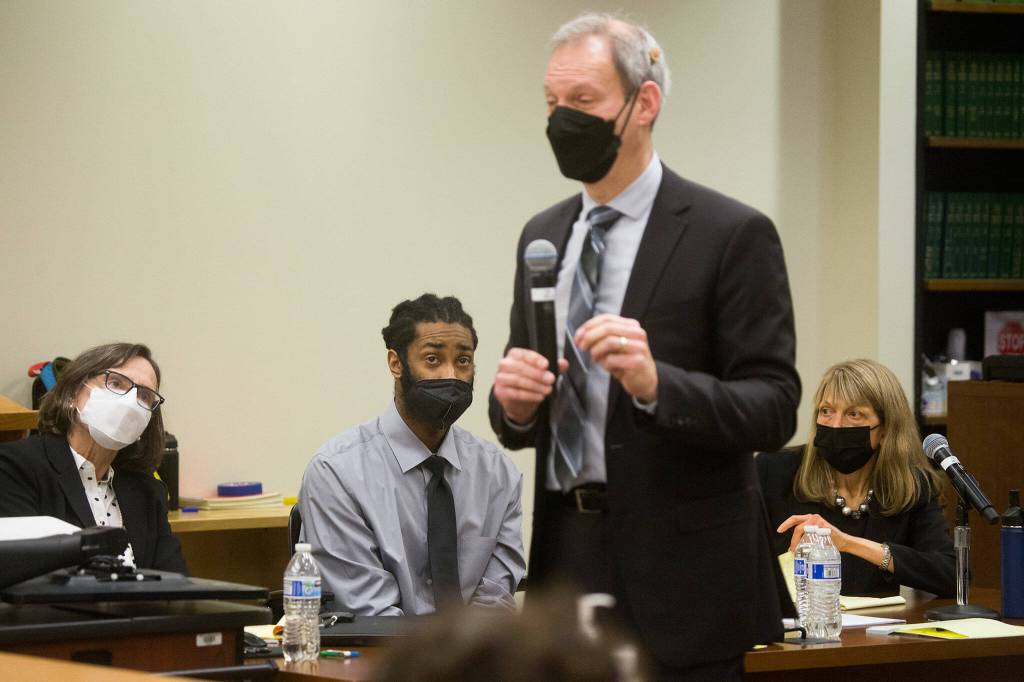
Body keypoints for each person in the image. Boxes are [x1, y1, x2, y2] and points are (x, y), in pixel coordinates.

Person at [488, 13, 800, 680]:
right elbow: (524, 418)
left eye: (583, 102)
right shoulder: (542, 236)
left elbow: (774, 407)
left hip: (684, 582)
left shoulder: (729, 233)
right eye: (552, 103)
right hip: (566, 561)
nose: (561, 120)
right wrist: (513, 405)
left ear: (644, 104)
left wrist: (659, 384)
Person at [300, 294, 526, 615]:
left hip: (475, 658)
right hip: (379, 657)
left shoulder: (498, 474)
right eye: (432, 359)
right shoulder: (336, 473)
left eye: (463, 361)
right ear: (396, 363)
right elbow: (368, 611)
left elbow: (494, 602)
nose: (450, 375)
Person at [758, 359, 956, 597]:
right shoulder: (775, 470)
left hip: (875, 631)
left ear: (885, 429)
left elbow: (951, 576)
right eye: (826, 411)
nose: (836, 425)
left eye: (854, 414)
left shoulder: (912, 486)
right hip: (793, 628)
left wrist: (849, 544)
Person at [0, 342, 186, 572]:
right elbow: (22, 575)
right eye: (116, 383)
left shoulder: (148, 491)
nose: (130, 403)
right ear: (72, 394)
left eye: (145, 396)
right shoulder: (16, 466)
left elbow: (175, 583)